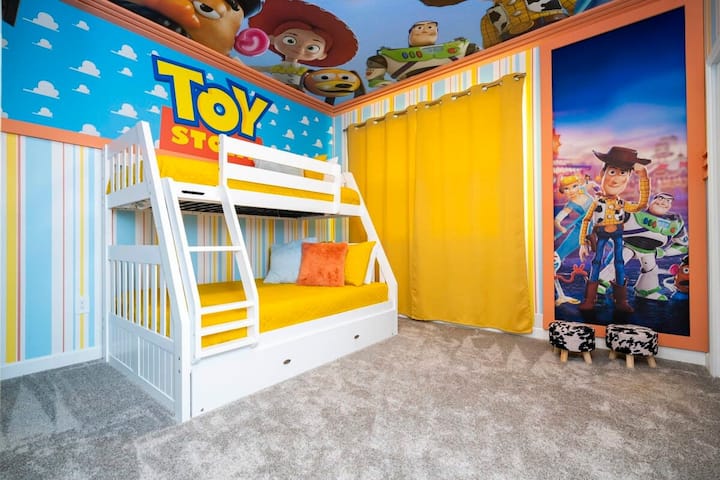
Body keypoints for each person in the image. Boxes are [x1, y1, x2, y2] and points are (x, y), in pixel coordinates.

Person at [578, 146, 651, 312]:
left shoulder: (621, 203)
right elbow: (586, 220)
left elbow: (641, 205)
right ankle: (590, 299)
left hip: (618, 235)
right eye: (612, 172)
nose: (616, 179)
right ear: (602, 173)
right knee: (596, 262)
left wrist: (643, 176)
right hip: (601, 235)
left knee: (619, 263)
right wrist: (583, 243)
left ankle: (621, 301)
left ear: (628, 177)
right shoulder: (597, 203)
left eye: (623, 173)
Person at [598, 192, 688, 300]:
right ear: (652, 200)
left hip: (650, 252)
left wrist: (664, 252)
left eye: (668, 201)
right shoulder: (633, 210)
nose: (664, 202)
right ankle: (600, 283)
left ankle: (646, 291)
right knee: (618, 263)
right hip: (628, 246)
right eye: (661, 198)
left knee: (651, 270)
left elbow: (683, 245)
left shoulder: (675, 222)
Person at [249, 0, 358, 89]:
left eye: (312, 48)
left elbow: (314, 81)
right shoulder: (278, 68)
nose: (300, 49)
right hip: (273, 88)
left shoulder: (306, 73)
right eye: (290, 40)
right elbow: (261, 69)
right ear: (272, 39)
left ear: (322, 55)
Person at [554, 174, 595, 262]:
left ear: (579, 185)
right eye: (566, 188)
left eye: (574, 186)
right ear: (563, 191)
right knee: (562, 250)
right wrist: (561, 228)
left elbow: (592, 184)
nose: (571, 191)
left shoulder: (583, 190)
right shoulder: (570, 205)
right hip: (581, 229)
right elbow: (557, 220)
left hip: (598, 223)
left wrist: (598, 190)